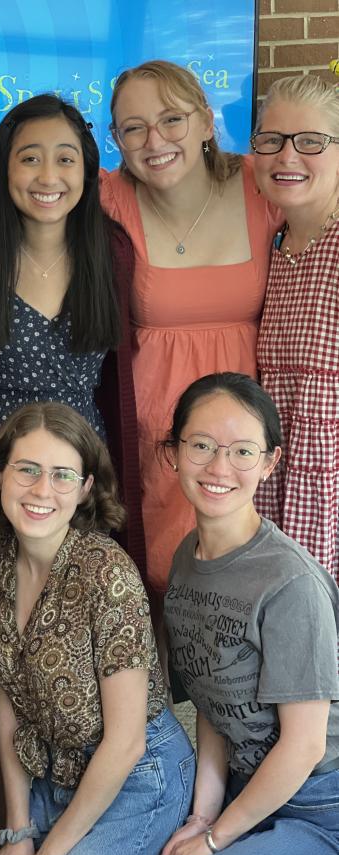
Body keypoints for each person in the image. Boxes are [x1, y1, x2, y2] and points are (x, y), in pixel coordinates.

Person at [0, 94, 145, 838]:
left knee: (84, 661)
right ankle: (6, 836)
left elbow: (112, 384)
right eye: (29, 157)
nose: (48, 173)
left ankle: (79, 833)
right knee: (4, 672)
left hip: (77, 487)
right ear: (2, 169)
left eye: (66, 158)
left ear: (88, 171)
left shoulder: (111, 252)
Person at [0, 403, 195, 855]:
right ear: (0, 472)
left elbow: (126, 742)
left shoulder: (108, 575)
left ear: (86, 488)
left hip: (136, 774)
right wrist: (17, 834)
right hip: (51, 766)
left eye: (62, 475)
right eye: (27, 470)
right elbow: (7, 705)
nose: (42, 491)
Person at [145, 372, 339, 855]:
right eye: (202, 445)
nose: (218, 468)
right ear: (175, 452)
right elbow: (213, 699)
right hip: (245, 788)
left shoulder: (290, 584)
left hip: (320, 807)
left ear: (270, 462)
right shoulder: (187, 559)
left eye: (242, 451)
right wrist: (205, 815)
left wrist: (213, 840)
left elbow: (304, 747)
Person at [103, 59, 283, 604]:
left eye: (172, 120)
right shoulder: (110, 199)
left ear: (207, 122)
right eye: (133, 127)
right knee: (154, 576)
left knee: (241, 580)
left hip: (244, 430)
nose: (154, 140)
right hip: (158, 429)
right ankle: (154, 692)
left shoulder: (260, 185)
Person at [253, 74, 339, 580]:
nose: (287, 157)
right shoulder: (275, 245)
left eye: (311, 141)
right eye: (271, 140)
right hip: (275, 486)